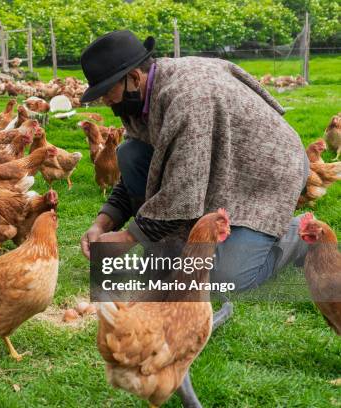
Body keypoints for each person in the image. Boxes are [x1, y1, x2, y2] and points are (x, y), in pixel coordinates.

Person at [79, 30, 310, 291]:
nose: (105, 101)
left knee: (222, 278)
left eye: (107, 92)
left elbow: (183, 192)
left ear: (133, 77)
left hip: (266, 171)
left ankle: (296, 236)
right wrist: (103, 222)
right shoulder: (138, 98)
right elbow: (156, 170)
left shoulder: (188, 99)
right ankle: (168, 239)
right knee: (130, 153)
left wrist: (128, 237)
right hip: (219, 162)